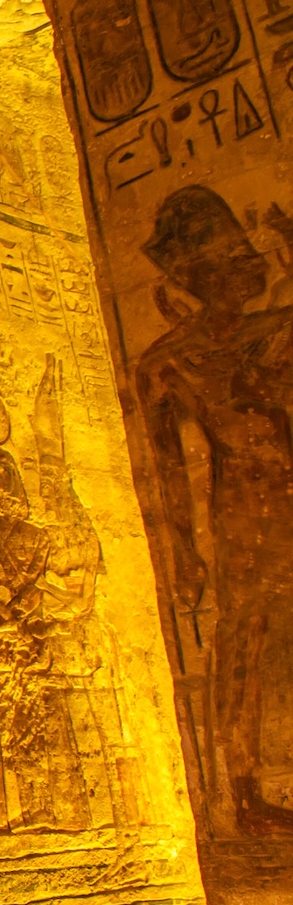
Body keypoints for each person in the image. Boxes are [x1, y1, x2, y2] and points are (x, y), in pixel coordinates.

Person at [138, 184, 293, 834]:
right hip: (249, 505)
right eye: (227, 254)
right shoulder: (169, 360)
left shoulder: (278, 327)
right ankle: (245, 788)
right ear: (196, 274)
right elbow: (167, 469)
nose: (244, 262)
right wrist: (181, 553)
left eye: (242, 249)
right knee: (244, 635)